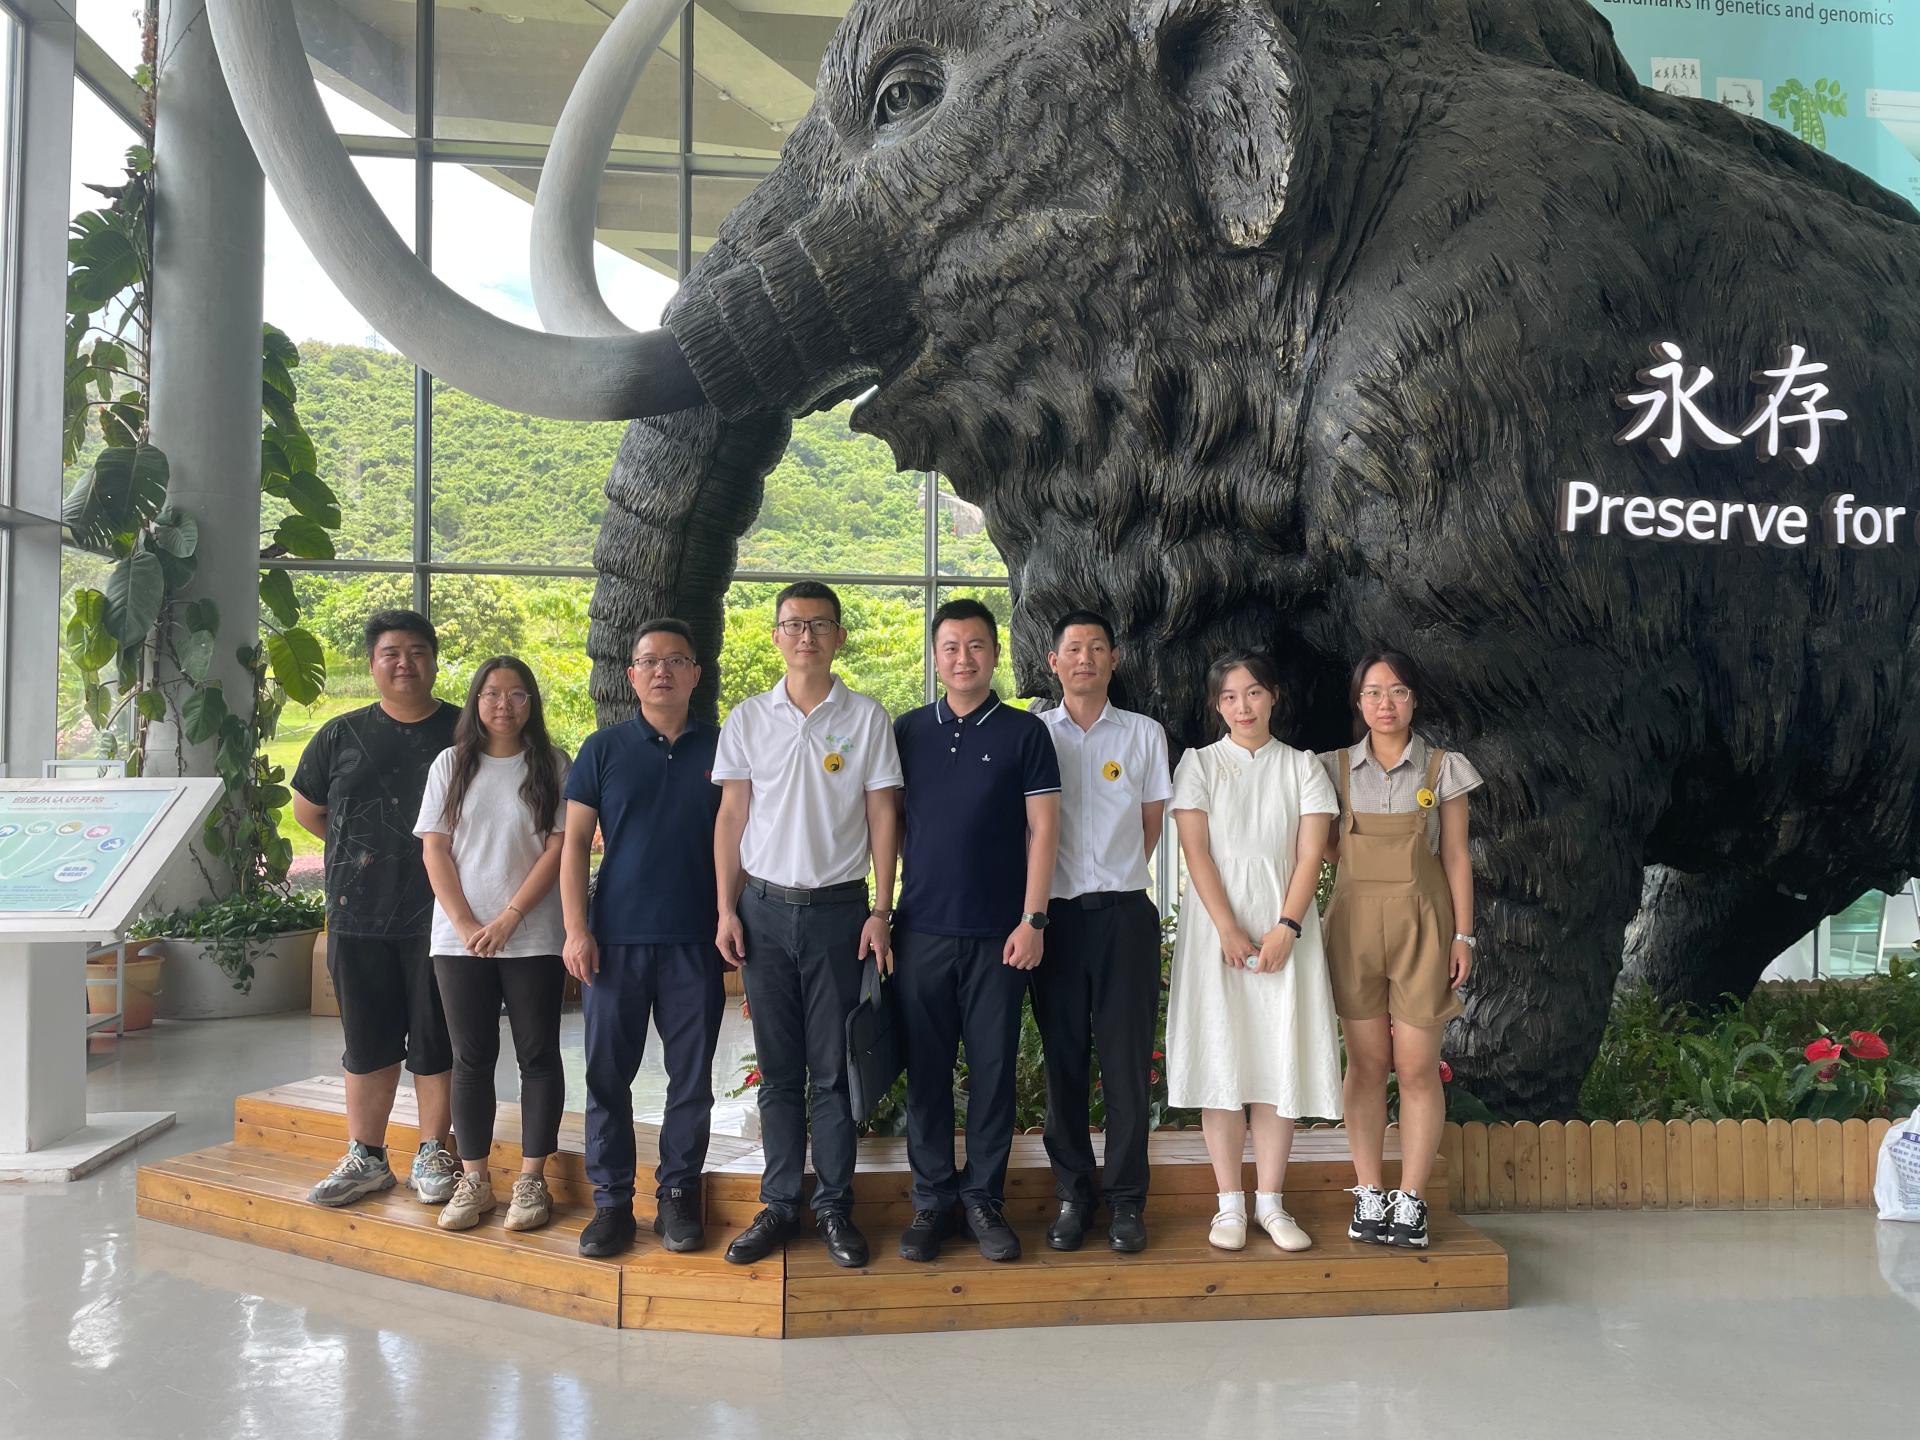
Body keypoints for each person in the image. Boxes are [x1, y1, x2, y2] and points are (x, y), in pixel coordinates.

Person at [712, 582, 903, 1269]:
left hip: (839, 914)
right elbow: (732, 817)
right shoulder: (748, 718)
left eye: (819, 625)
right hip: (762, 911)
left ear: (839, 637)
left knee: (832, 1071)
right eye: (793, 624)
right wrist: (726, 908)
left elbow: (883, 814)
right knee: (779, 1071)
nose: (806, 636)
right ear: (775, 636)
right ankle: (779, 1204)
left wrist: (881, 908)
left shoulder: (867, 717)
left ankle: (834, 1207)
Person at [892, 598, 1060, 1263]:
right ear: (936, 657)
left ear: (994, 653)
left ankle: (984, 1200)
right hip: (920, 931)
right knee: (926, 1073)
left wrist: (1033, 918)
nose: (964, 658)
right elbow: (887, 825)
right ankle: (932, 1202)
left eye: (976, 646)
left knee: (993, 1072)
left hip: (1000, 936)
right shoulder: (908, 731)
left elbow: (1044, 829)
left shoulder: (1025, 733)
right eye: (951, 647)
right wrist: (881, 910)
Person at [560, 619, 725, 1259]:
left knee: (691, 1079)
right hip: (614, 941)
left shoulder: (723, 748)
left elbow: (743, 838)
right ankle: (612, 1204)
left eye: (675, 660)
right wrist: (576, 929)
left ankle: (678, 1195)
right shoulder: (603, 749)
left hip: (695, 941)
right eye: (649, 661)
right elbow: (575, 842)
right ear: (631, 675)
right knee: (607, 1077)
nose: (662, 671)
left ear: (694, 674)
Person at [1167, 651, 1341, 1253]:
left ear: (1273, 697)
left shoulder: (1303, 767)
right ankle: (1229, 1206)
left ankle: (1271, 1202)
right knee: (1222, 1057)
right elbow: (1196, 851)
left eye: (1254, 693)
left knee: (1275, 1054)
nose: (1243, 706)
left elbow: (1310, 854)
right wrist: (1226, 928)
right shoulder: (1198, 764)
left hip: (1285, 927)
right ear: (1217, 705)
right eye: (1230, 696)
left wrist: (1287, 926)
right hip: (1214, 930)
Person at [292, 609, 461, 1208]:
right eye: (391, 653)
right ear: (372, 664)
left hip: (443, 917)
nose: (404, 664)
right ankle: (366, 1155)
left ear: (434, 661)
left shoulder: (464, 731)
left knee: (437, 1038)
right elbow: (309, 810)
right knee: (366, 1040)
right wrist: (364, 854)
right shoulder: (340, 734)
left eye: (417, 652)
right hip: (357, 914)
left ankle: (434, 1150)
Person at [1320, 650, 1481, 1251]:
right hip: (1354, 929)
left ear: (1414, 699)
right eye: (1373, 692)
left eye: (1397, 691)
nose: (1385, 703)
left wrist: (1463, 935)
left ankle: (1411, 1198)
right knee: (1365, 1065)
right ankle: (1368, 1191)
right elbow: (1324, 847)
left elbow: (1456, 856)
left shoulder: (1443, 768)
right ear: (1358, 701)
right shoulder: (1331, 768)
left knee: (1416, 1067)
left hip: (1425, 928)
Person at [415, 657, 570, 1234]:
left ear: (532, 702)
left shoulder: (553, 764)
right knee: (471, 1058)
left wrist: (509, 917)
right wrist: (464, 922)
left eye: (517, 694)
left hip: (533, 935)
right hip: (458, 941)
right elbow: (434, 848)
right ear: (476, 701)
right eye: (492, 693)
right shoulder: (451, 764)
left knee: (538, 1055)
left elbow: (559, 849)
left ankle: (531, 1180)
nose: (504, 704)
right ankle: (475, 1179)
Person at [1033, 610, 1171, 1254]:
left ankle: (1125, 1201)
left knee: (1125, 1064)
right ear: (1053, 662)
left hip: (1124, 917)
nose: (1084, 658)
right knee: (1062, 1061)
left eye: (1096, 648)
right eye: (1073, 649)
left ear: (1115, 659)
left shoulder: (1143, 734)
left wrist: (1114, 878)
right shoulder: (1034, 734)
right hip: (1054, 920)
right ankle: (1073, 1194)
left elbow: (1151, 822)